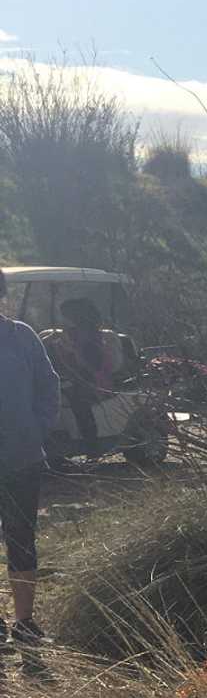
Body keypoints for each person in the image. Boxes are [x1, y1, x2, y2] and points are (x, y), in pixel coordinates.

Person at [0, 270, 59, 646]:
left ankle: (24, 623)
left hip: (20, 459)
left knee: (21, 539)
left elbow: (48, 384)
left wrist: (37, 429)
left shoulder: (22, 337)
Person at [49, 296, 114, 457]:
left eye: (66, 316)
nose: (63, 319)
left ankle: (92, 448)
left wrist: (71, 351)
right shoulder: (69, 334)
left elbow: (92, 365)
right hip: (71, 377)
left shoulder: (92, 336)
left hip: (91, 381)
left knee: (79, 403)